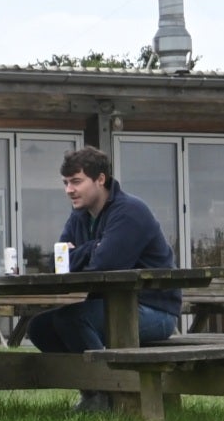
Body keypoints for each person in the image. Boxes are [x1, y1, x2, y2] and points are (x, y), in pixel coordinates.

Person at [23, 145, 180, 358]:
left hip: (154, 311)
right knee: (39, 328)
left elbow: (104, 265)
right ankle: (91, 385)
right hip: (106, 304)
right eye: (66, 183)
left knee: (73, 319)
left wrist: (79, 253)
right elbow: (56, 264)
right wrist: (92, 247)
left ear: (100, 179)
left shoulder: (130, 212)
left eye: (76, 181)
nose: (69, 190)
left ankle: (107, 385)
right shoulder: (80, 215)